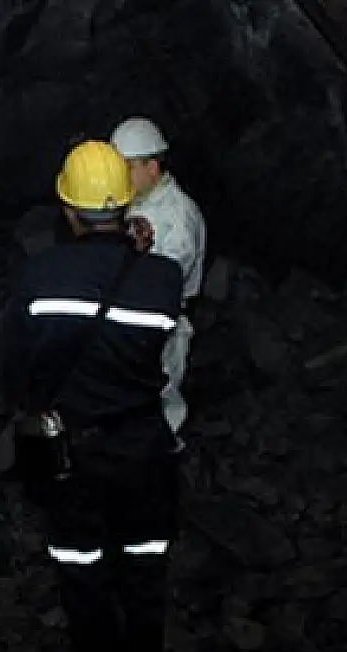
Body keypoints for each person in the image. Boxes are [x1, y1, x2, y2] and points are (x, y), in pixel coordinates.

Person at [2, 139, 184, 652]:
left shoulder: (37, 276)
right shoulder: (162, 279)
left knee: (82, 573)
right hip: (141, 451)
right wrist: (134, 256)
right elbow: (158, 342)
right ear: (128, 204)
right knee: (145, 571)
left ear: (68, 209)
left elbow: (15, 365)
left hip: (69, 456)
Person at [110, 117, 207, 438]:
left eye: (126, 167)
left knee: (160, 401)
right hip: (132, 320)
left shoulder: (177, 218)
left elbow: (165, 283)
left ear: (152, 167)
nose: (118, 176)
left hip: (162, 328)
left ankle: (166, 450)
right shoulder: (136, 202)